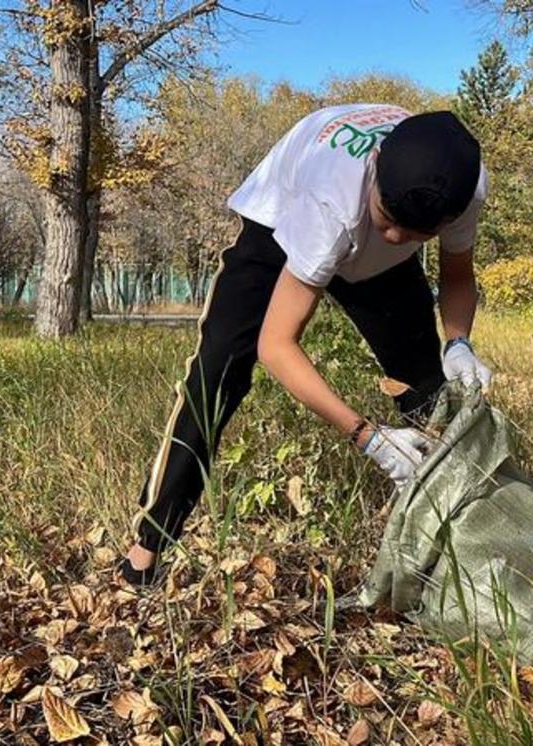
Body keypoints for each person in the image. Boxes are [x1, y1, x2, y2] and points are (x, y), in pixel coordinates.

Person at [119, 105, 493, 587]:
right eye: (387, 220)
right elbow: (277, 344)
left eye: (414, 236)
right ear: (376, 162)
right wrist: (367, 436)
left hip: (376, 252)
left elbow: (457, 275)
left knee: (429, 388)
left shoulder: (464, 186)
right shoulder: (329, 199)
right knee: (217, 376)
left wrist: (459, 342)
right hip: (277, 228)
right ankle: (146, 547)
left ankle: (458, 547)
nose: (394, 237)